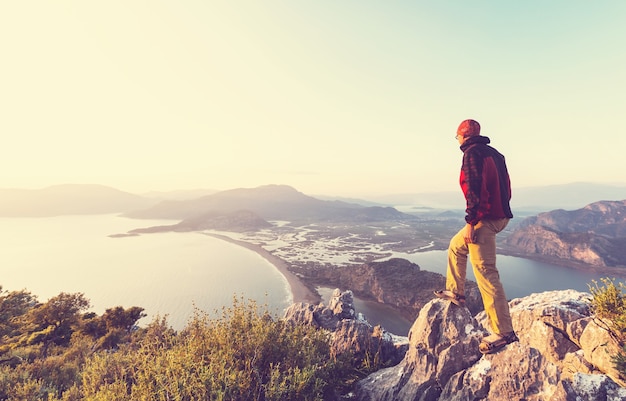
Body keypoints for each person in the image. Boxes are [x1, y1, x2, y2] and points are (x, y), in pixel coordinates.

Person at [434, 119, 518, 354]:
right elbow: (507, 187)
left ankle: (503, 333)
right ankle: (456, 291)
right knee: (456, 246)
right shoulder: (496, 154)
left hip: (485, 219)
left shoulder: (472, 154)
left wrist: (472, 222)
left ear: (463, 135)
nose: (457, 141)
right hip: (500, 216)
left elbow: (474, 189)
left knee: (486, 274)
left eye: (457, 137)